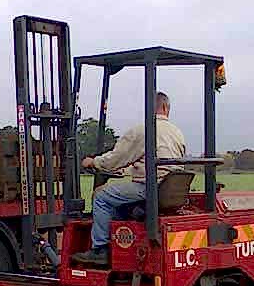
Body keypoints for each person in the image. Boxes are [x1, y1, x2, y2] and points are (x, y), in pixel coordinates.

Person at [72, 92, 186, 265]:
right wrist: (129, 168)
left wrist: (93, 162)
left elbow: (114, 159)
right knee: (119, 205)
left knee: (101, 197)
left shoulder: (143, 130)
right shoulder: (177, 132)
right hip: (168, 189)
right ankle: (120, 243)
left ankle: (100, 249)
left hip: (148, 188)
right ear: (165, 108)